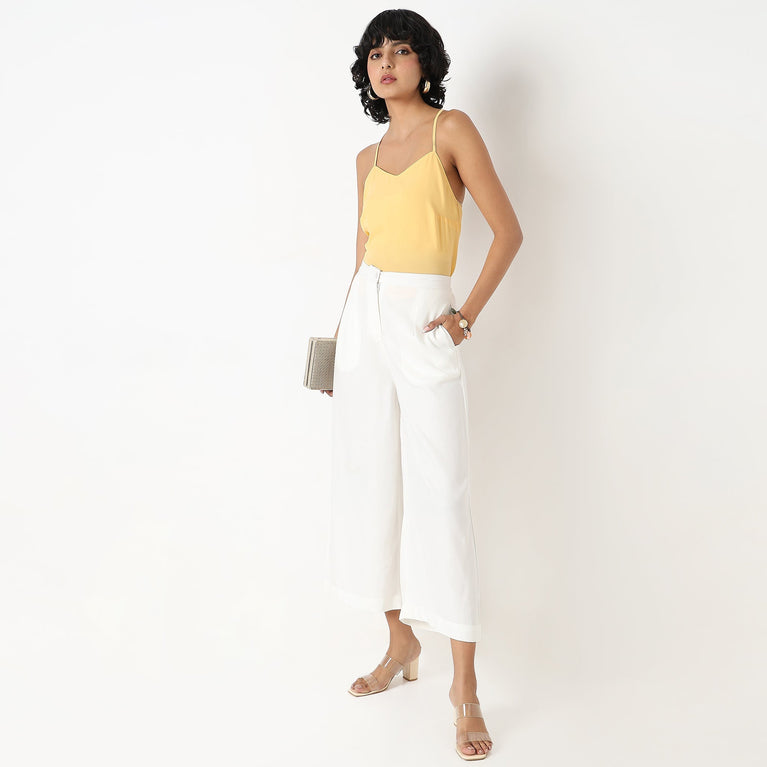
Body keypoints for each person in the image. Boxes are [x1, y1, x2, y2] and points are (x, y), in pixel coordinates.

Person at [320, 9, 523, 761]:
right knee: (370, 481)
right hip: (366, 320)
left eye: (400, 50)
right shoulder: (365, 159)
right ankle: (399, 640)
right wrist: (339, 344)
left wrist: (463, 316)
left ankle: (463, 687)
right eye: (375, 53)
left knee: (443, 490)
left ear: (424, 63)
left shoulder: (452, 130)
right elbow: (361, 255)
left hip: (425, 314)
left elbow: (508, 231)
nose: (386, 63)